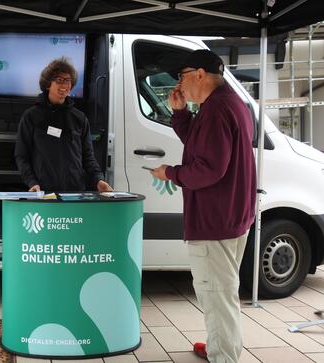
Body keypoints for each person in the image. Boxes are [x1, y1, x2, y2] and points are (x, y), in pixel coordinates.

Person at [151, 49, 256, 363]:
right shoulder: (230, 104)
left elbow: (208, 168)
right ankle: (218, 347)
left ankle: (223, 355)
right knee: (223, 290)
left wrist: (170, 173)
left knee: (217, 295)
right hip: (232, 216)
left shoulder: (216, 110)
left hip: (214, 220)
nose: (179, 85)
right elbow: (202, 145)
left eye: (181, 77)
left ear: (199, 74)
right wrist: (181, 114)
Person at [15, 57, 113, 193]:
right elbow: (22, 155)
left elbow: (88, 156)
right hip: (43, 192)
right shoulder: (31, 116)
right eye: (59, 80)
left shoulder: (79, 118)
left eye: (68, 81)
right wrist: (32, 182)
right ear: (48, 84)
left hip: (74, 192)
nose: (64, 85)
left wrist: (98, 179)